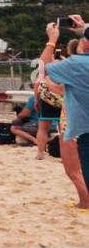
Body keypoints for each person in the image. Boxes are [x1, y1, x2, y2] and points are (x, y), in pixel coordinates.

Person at [39, 17, 89, 211]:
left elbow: (41, 70)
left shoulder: (76, 65)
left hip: (79, 125)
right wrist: (83, 28)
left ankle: (85, 202)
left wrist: (51, 40)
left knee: (73, 169)